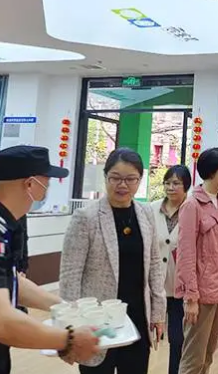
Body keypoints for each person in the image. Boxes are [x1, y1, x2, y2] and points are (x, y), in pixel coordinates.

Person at [0, 145, 99, 374]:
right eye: (47, 181)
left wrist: (64, 307)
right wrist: (68, 340)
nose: (48, 187)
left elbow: (7, 280)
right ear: (31, 184)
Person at [60, 147, 166, 374]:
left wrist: (158, 313)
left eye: (130, 179)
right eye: (115, 178)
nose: (122, 185)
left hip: (137, 315)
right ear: (105, 176)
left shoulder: (146, 213)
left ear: (140, 180)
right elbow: (70, 275)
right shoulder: (86, 217)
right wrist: (70, 327)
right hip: (97, 319)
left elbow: (155, 265)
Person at [175, 147, 218, 374]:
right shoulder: (192, 205)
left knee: (208, 356)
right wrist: (191, 297)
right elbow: (186, 254)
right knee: (193, 360)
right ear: (212, 170)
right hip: (201, 292)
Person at [150, 165, 192, 374]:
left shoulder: (192, 211)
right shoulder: (151, 209)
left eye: (176, 183)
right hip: (153, 287)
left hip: (179, 288)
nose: (170, 187)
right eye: (167, 183)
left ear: (186, 186)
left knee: (177, 339)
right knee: (145, 337)